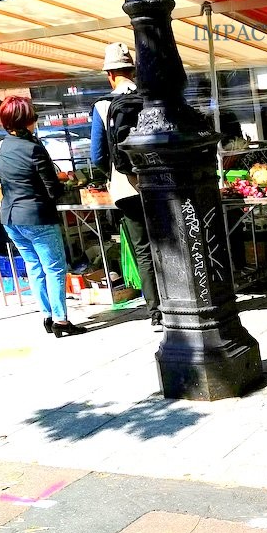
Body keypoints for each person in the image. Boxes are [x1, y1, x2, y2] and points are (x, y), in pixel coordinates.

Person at [0, 96, 86, 338]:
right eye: (33, 117)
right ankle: (61, 321)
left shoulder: (2, 146)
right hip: (37, 217)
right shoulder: (34, 148)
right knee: (54, 268)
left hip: (10, 218)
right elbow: (52, 188)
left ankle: (47, 315)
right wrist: (68, 183)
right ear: (27, 121)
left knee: (34, 267)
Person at [91, 42, 162, 332]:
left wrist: (110, 174)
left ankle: (156, 313)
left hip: (126, 188)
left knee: (143, 250)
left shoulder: (102, 105)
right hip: (159, 184)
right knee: (167, 243)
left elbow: (97, 155)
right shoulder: (150, 98)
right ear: (132, 70)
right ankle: (179, 300)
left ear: (110, 74)